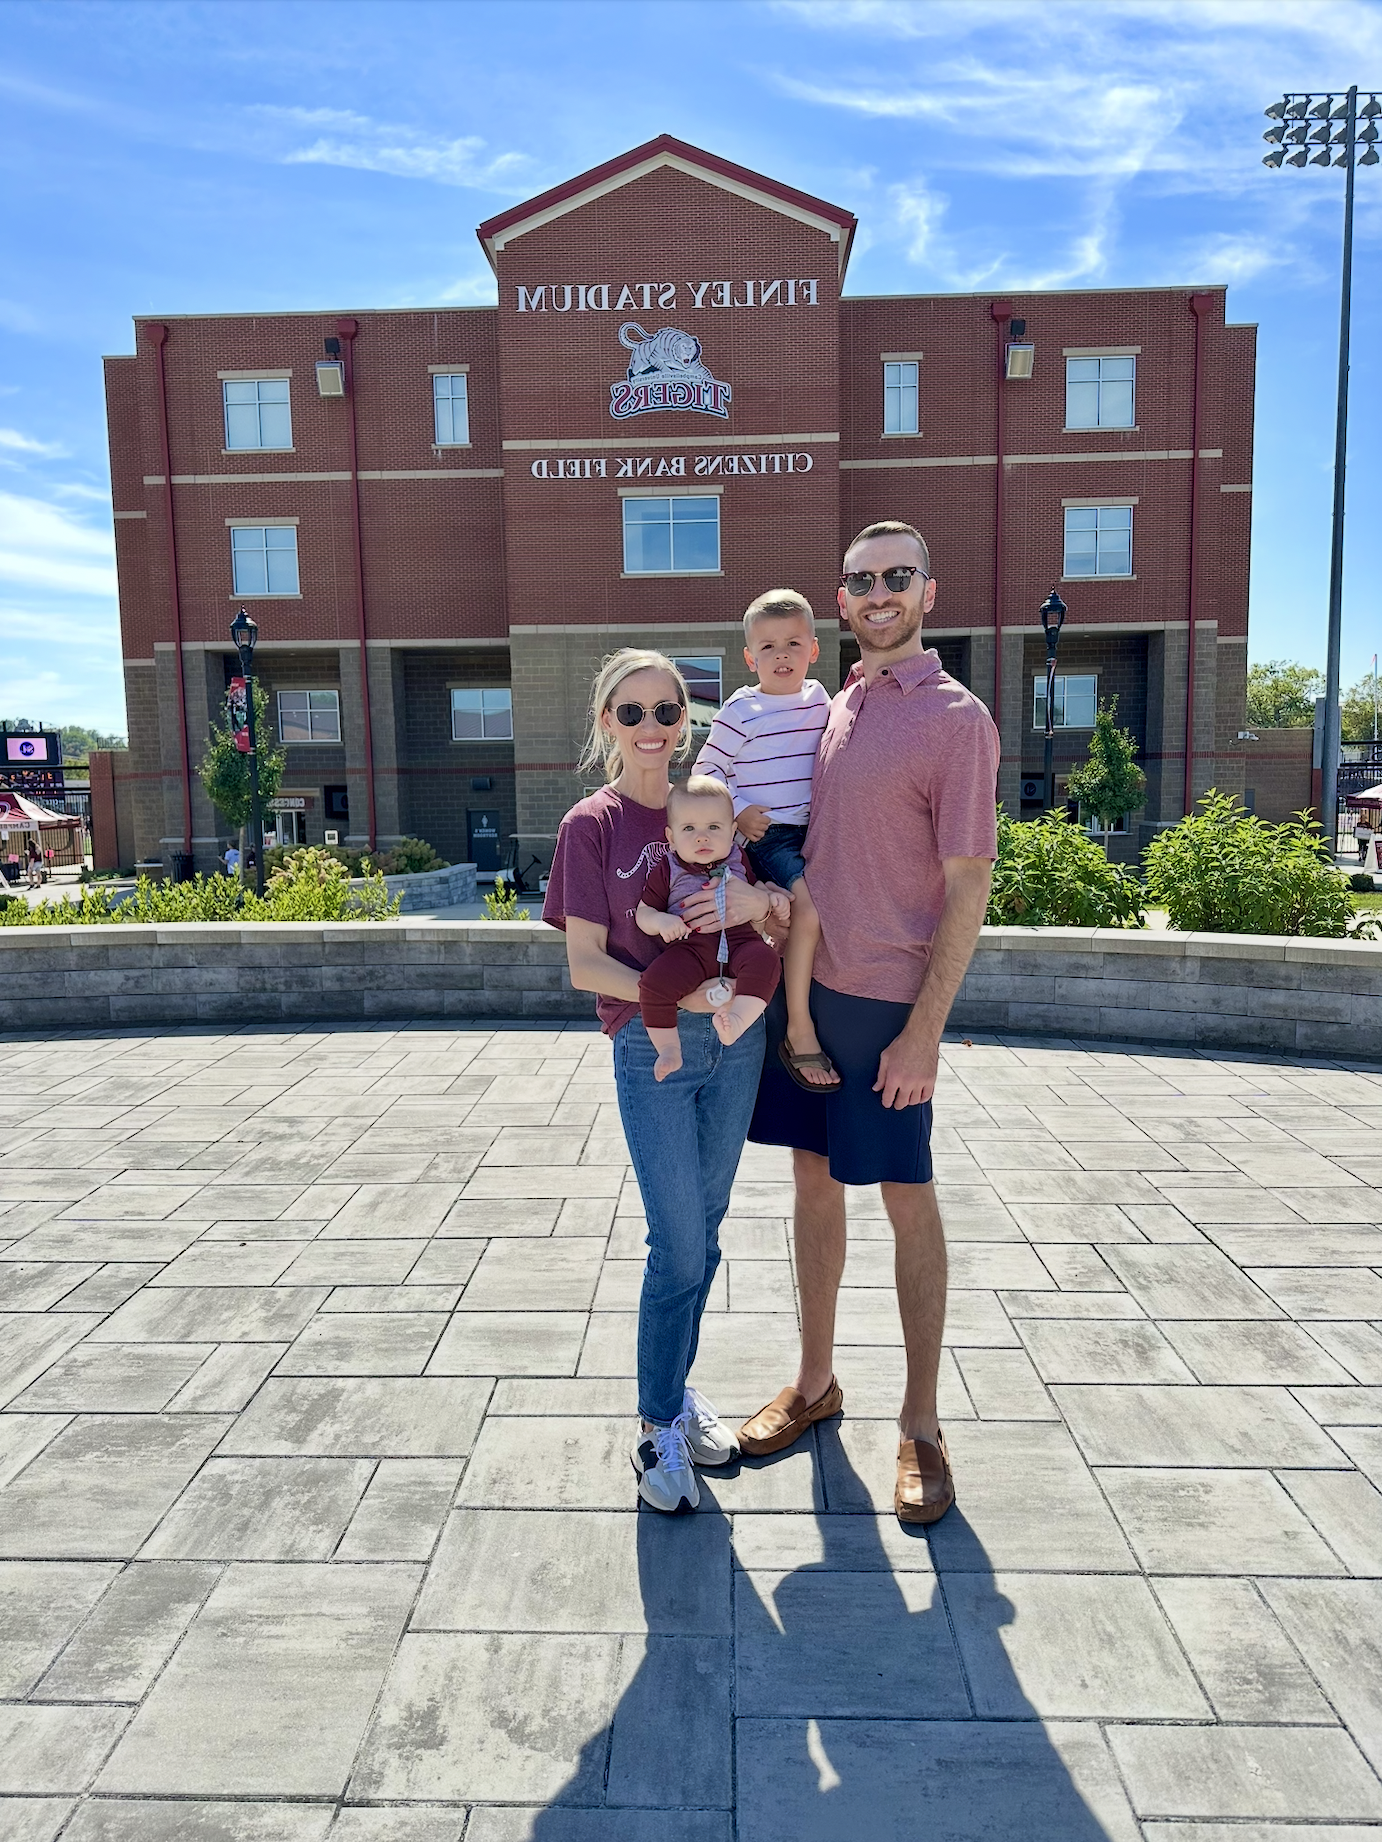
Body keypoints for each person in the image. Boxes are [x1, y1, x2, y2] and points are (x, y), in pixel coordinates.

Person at [738, 520, 1000, 1526]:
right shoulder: (831, 705)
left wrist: (923, 1031)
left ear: (927, 592)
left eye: (898, 576)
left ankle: (923, 1425)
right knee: (811, 1185)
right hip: (806, 997)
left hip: (888, 1002)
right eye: (860, 580)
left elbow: (967, 885)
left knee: (904, 1196)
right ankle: (814, 1386)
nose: (879, 592)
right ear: (838, 602)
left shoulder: (953, 717)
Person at [543, 650, 779, 1515]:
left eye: (667, 711)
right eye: (632, 712)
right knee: (677, 1243)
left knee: (706, 1233)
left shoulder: (710, 807)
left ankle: (676, 1393)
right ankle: (656, 1428)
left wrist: (758, 911)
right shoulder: (591, 826)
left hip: (736, 1045)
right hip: (655, 1048)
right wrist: (692, 990)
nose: (653, 728)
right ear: (608, 722)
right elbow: (583, 964)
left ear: (688, 721)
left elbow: (770, 909)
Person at [696, 589, 838, 1090]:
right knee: (809, 912)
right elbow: (707, 770)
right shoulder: (741, 707)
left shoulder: (823, 702)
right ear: (750, 656)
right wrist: (737, 812)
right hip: (769, 835)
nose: (782, 655)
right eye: (769, 646)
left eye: (794, 644)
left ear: (813, 650)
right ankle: (799, 1029)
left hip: (814, 829)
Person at [635, 775, 787, 1080]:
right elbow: (644, 913)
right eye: (689, 828)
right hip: (690, 947)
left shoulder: (738, 858)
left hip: (740, 941)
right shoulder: (668, 868)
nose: (702, 838)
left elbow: (756, 887)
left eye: (713, 828)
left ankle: (737, 1021)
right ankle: (668, 1048)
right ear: (671, 837)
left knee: (767, 961)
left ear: (732, 832)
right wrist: (662, 921)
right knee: (652, 984)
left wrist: (771, 898)